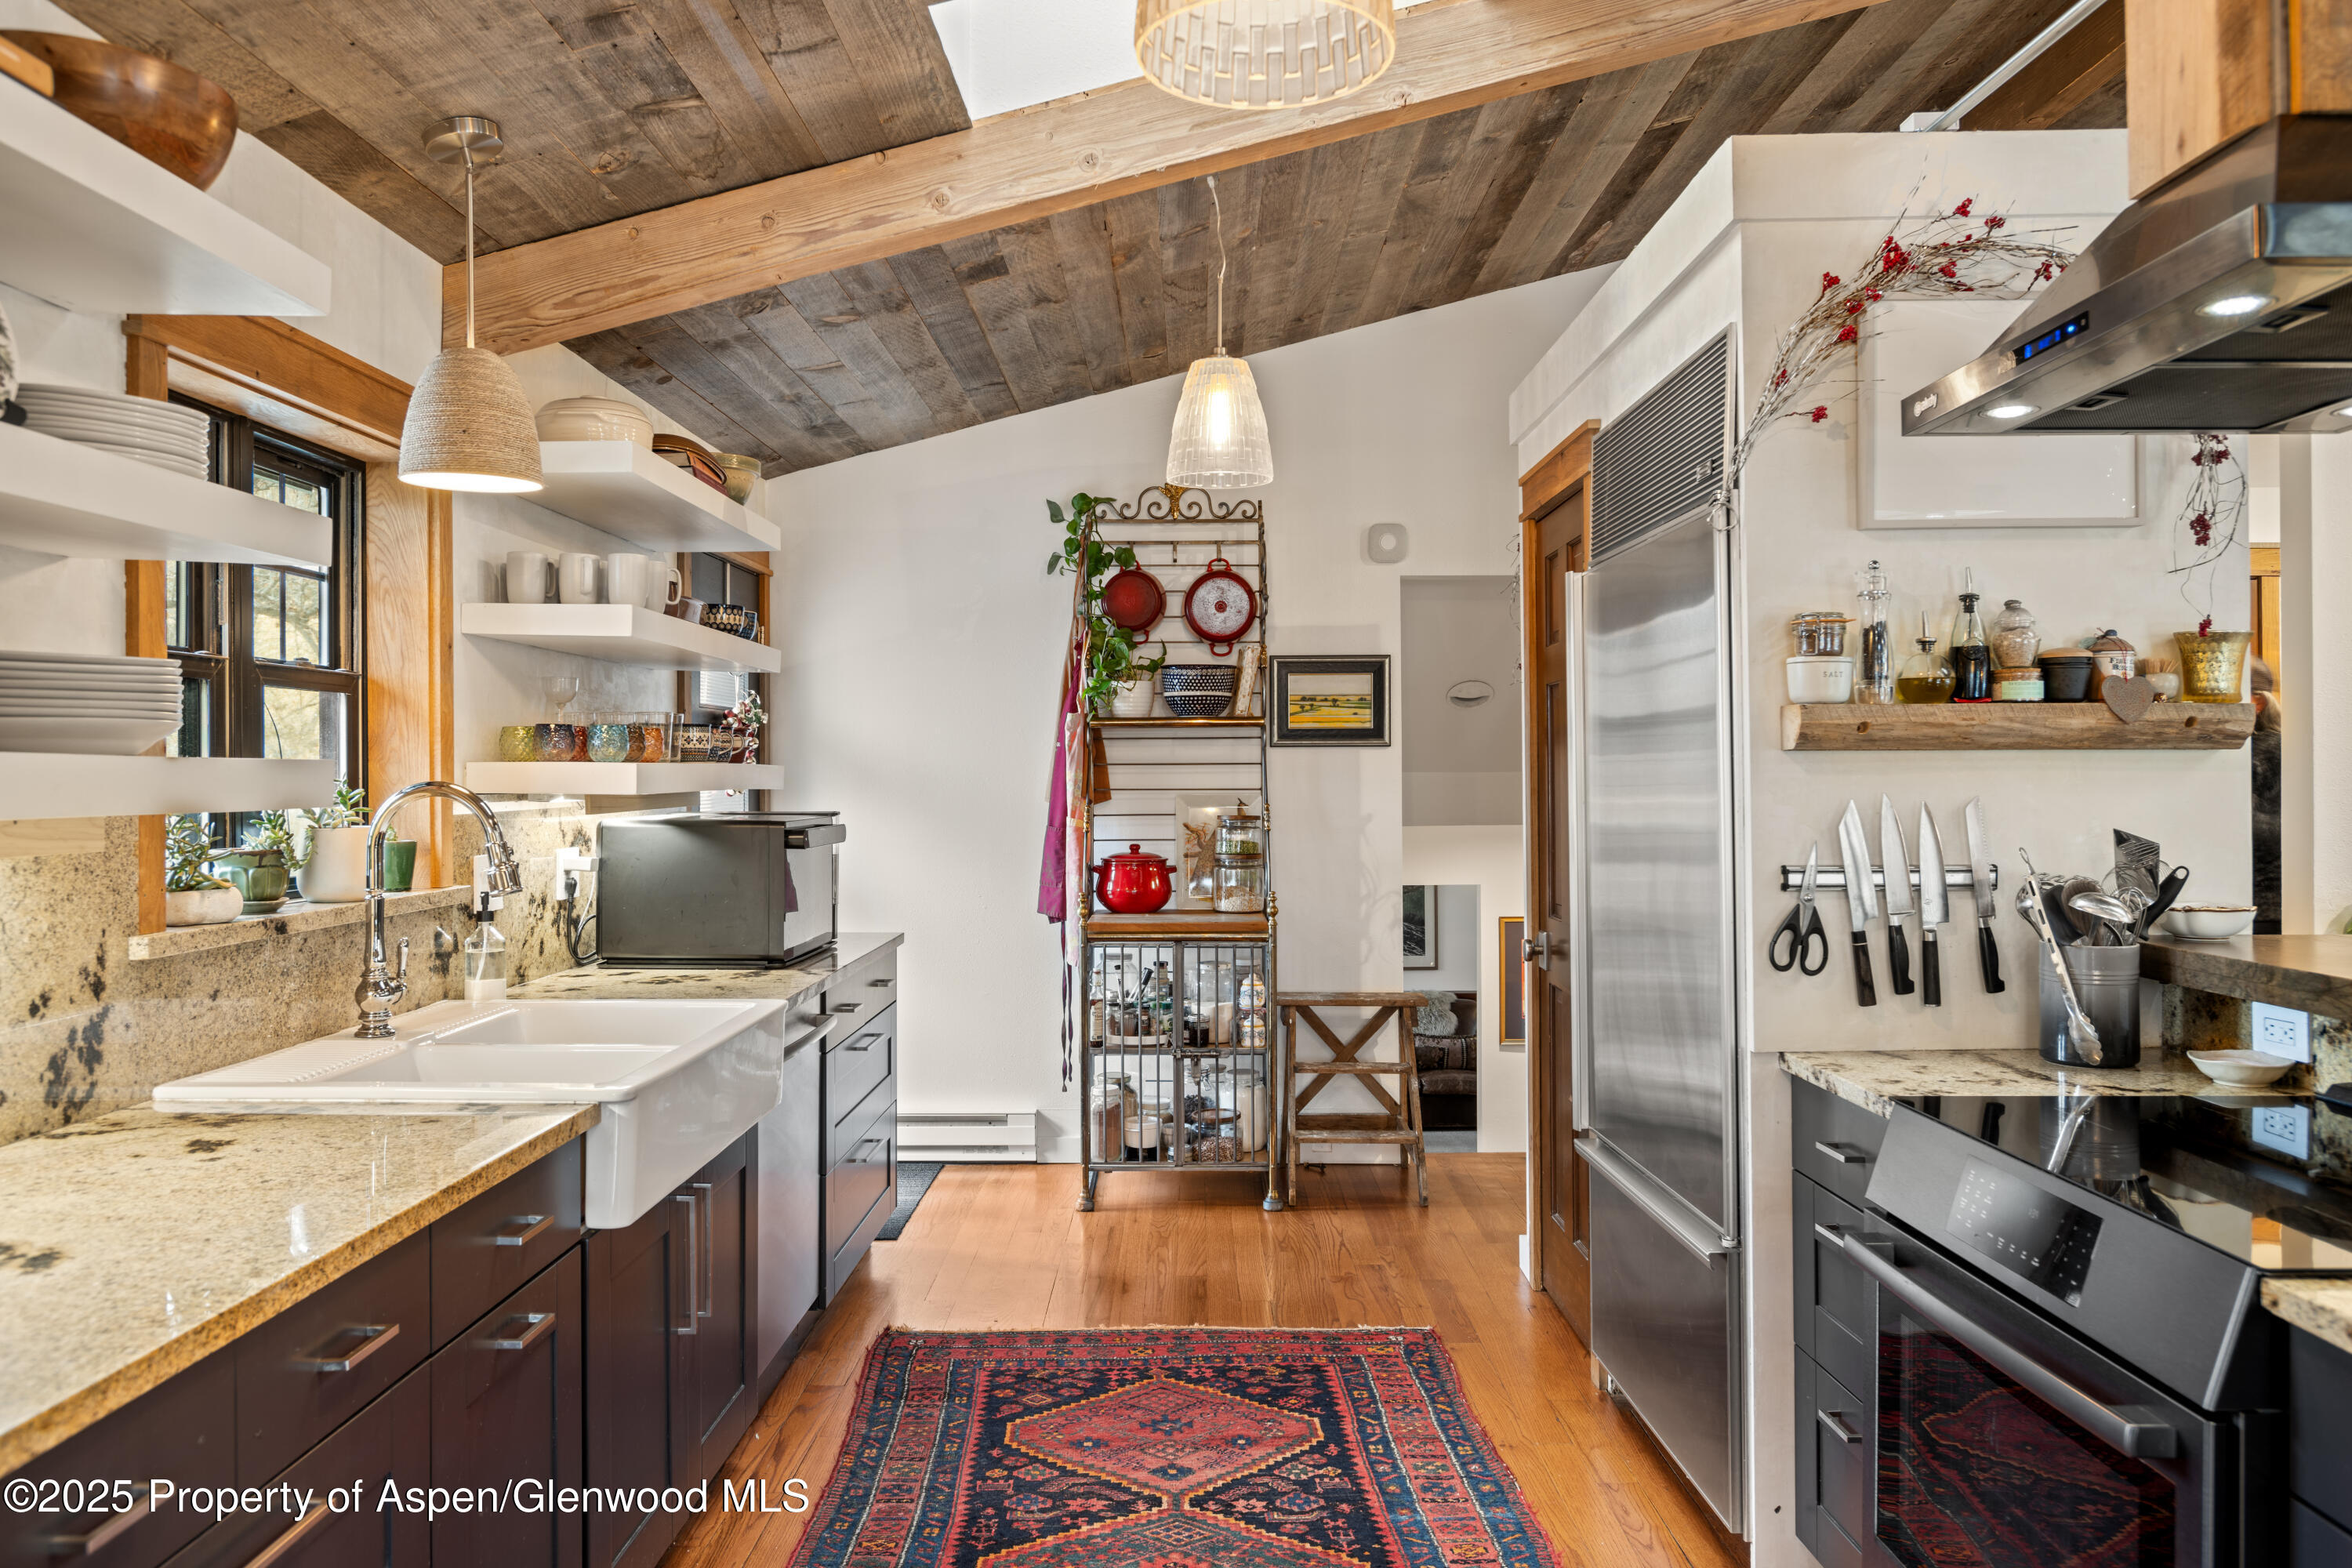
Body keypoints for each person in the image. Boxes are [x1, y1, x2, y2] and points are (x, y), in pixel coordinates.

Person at [2249, 658, 2281, 932]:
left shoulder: (2273, 750)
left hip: (2269, 904)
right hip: (2249, 902)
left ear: (2258, 703)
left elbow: (2273, 830)